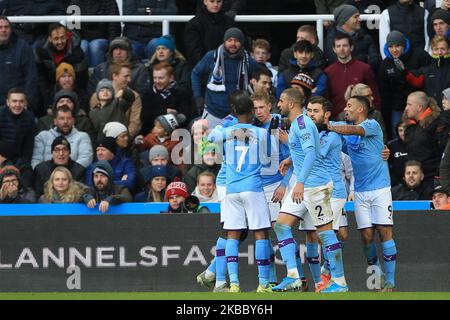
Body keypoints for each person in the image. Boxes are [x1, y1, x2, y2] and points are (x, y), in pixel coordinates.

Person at [273, 88, 347, 293]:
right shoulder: (298, 124)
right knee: (281, 226)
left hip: (316, 186)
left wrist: (300, 182)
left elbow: (312, 154)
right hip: (305, 184)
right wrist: (289, 160)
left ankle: (340, 282)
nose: (278, 105)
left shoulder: (303, 124)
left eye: (281, 101)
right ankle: (293, 276)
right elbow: (301, 152)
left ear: (291, 104)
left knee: (325, 234)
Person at [328, 95, 397, 292]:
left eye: (349, 106)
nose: (346, 109)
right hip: (360, 191)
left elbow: (352, 130)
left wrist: (330, 125)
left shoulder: (371, 125)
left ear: (361, 110)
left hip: (380, 188)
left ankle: (391, 282)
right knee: (366, 237)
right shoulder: (346, 131)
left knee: (384, 232)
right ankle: (376, 270)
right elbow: (335, 135)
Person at [207, 90, 272, 293]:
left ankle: (233, 284)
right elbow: (267, 159)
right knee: (261, 233)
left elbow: (210, 137)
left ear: (234, 111)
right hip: (252, 187)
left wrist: (230, 131)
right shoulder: (262, 134)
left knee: (232, 235)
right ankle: (263, 284)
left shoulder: (222, 134)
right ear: (253, 111)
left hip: (232, 189)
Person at [303, 96, 350, 291]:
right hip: (318, 190)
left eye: (315, 111)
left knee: (326, 233)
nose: (311, 114)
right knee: (324, 234)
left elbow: (314, 155)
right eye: (309, 110)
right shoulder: (315, 132)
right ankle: (327, 277)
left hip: (334, 191)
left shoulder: (330, 135)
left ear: (327, 114)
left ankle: (332, 277)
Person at [191, 27, 259, 128]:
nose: (233, 43)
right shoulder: (211, 56)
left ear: (242, 42)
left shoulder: (249, 62)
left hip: (237, 116)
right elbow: (195, 73)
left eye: (236, 41)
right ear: (224, 41)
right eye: (229, 40)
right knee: (208, 143)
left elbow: (258, 81)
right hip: (212, 113)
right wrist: (198, 96)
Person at [378, 31, 432, 137]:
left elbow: (428, 78)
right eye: (391, 46)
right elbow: (384, 91)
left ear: (403, 45)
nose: (394, 50)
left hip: (420, 105)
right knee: (398, 134)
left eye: (397, 46)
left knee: (423, 134)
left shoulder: (420, 55)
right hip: (397, 107)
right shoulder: (385, 65)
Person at [34, 23, 88, 117]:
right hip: (50, 85)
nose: (60, 42)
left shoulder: (78, 53)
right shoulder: (40, 50)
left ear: (67, 36)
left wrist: (80, 107)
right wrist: (48, 106)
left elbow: (80, 83)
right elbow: (41, 79)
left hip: (72, 88)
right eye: (56, 38)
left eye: (62, 37)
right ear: (50, 39)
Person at [324, 33, 381, 119]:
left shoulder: (365, 69)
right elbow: (327, 99)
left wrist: (375, 115)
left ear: (351, 47)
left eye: (345, 45)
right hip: (337, 120)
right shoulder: (328, 72)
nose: (341, 49)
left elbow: (375, 96)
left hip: (362, 119)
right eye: (338, 46)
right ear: (334, 49)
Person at [90, 62, 142, 139]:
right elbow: (94, 121)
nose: (129, 80)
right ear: (115, 76)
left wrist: (125, 138)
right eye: (126, 76)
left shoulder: (135, 96)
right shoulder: (96, 96)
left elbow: (135, 122)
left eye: (129, 76)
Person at [32, 106, 93, 170]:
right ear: (55, 121)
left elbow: (86, 159)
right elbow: (36, 160)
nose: (65, 121)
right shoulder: (42, 136)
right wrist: (51, 175)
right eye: (62, 118)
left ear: (73, 121)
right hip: (46, 176)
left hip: (73, 176)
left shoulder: (82, 136)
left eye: (68, 118)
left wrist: (66, 175)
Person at [140, 62, 192, 135]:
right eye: (155, 78)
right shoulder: (148, 94)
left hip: (174, 136)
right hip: (150, 134)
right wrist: (164, 111)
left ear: (171, 78)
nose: (157, 81)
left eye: (161, 78)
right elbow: (144, 117)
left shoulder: (181, 94)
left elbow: (184, 118)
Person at [324, 4, 380, 70]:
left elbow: (375, 63)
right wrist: (364, 58)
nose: (359, 19)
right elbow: (335, 62)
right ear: (345, 20)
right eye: (356, 17)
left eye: (359, 16)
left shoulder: (366, 38)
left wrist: (348, 58)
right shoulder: (331, 38)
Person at [184, 0, 237, 69]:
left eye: (218, 1)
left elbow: (237, 45)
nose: (215, 4)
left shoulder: (229, 22)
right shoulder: (193, 24)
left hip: (228, 68)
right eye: (212, 1)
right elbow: (193, 51)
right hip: (203, 71)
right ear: (205, 1)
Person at [404, 91, 441, 187]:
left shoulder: (436, 125)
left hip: (431, 180)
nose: (406, 108)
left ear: (419, 107)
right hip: (414, 181)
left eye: (409, 104)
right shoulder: (410, 127)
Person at [0, 16, 37, 112]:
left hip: (18, 105)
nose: (3, 30)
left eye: (6, 27)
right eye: (0, 27)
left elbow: (31, 77)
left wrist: (26, 102)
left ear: (11, 29)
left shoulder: (23, 47)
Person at [69, 0, 121, 68]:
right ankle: (82, 75)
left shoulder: (109, 2)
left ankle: (97, 76)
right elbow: (72, 29)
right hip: (82, 39)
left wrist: (112, 46)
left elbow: (114, 27)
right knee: (82, 45)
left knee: (95, 45)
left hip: (104, 39)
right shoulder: (75, 2)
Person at [405, 36, 450, 108]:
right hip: (430, 113)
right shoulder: (426, 70)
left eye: (443, 49)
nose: (439, 52)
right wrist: (403, 71)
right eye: (436, 49)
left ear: (448, 50)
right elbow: (412, 78)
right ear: (432, 50)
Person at [88, 77, 136, 143]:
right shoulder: (92, 112)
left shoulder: (118, 104)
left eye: (108, 90)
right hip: (104, 145)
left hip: (120, 142)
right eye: (101, 90)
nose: (105, 92)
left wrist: (124, 92)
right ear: (97, 94)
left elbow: (131, 98)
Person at [0, 88, 36, 165]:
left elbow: (28, 147)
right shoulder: (0, 114)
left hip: (19, 160)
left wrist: (23, 164)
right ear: (7, 102)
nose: (18, 105)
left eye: (21, 101)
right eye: (14, 101)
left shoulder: (29, 118)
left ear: (25, 103)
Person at [387, 121, 409, 186]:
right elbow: (386, 165)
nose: (403, 133)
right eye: (400, 130)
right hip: (397, 183)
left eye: (406, 130)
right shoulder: (391, 145)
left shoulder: (417, 143)